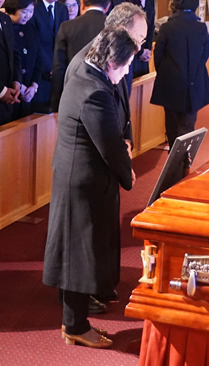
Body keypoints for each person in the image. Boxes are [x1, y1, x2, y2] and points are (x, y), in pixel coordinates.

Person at [43, 26, 136, 350]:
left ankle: (76, 323)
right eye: (125, 65)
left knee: (79, 252)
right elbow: (109, 144)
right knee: (77, 257)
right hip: (82, 182)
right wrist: (127, 174)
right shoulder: (94, 91)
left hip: (78, 177)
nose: (126, 72)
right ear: (111, 62)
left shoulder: (85, 72)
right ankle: (75, 326)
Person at [150, 0, 209, 148]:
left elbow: (158, 54)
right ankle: (185, 157)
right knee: (188, 123)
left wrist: (164, 72)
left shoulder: (167, 27)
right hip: (194, 80)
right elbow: (206, 52)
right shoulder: (201, 27)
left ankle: (173, 153)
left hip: (171, 80)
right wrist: (195, 68)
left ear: (174, 5)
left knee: (171, 122)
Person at [50, 0, 109, 111]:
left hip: (75, 98)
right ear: (107, 6)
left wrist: (56, 104)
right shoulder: (116, 28)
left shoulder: (67, 27)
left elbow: (59, 68)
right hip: (108, 97)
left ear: (81, 3)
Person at [29, 0, 69, 112]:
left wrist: (59, 66)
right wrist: (48, 67)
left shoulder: (62, 9)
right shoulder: (32, 7)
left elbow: (64, 41)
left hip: (58, 75)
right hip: (38, 76)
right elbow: (34, 44)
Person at [3, 0, 42, 116]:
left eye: (31, 11)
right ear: (14, 7)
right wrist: (19, 84)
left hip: (29, 93)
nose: (28, 15)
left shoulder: (31, 27)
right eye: (24, 11)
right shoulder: (4, 27)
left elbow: (38, 58)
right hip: (10, 94)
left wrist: (34, 86)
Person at [129, 0, 158, 80]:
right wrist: (139, 51)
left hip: (144, 50)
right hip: (131, 50)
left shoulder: (150, 0)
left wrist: (148, 49)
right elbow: (129, 30)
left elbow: (151, 26)